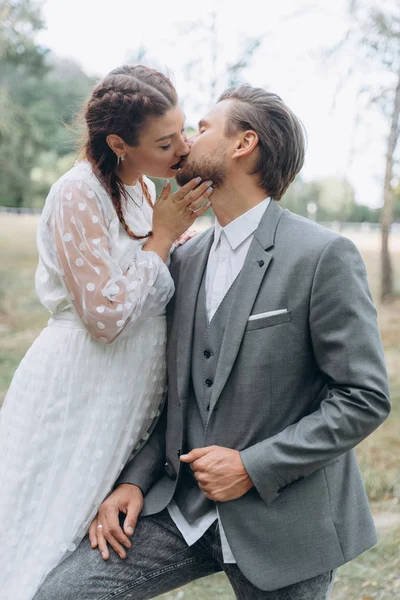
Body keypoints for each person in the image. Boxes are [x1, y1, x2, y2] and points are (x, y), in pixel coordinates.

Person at [34, 84, 390, 600]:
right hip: (178, 510)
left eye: (201, 128)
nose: (184, 142)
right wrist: (133, 480)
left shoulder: (322, 256)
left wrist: (251, 466)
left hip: (284, 518)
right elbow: (175, 396)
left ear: (244, 144)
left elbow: (364, 398)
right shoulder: (184, 258)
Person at [0, 64, 213, 600]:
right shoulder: (78, 195)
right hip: (80, 388)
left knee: (91, 540)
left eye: (183, 131)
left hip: (129, 395)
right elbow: (105, 317)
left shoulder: (145, 187)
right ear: (119, 142)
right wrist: (163, 237)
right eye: (166, 142)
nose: (182, 148)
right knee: (47, 526)